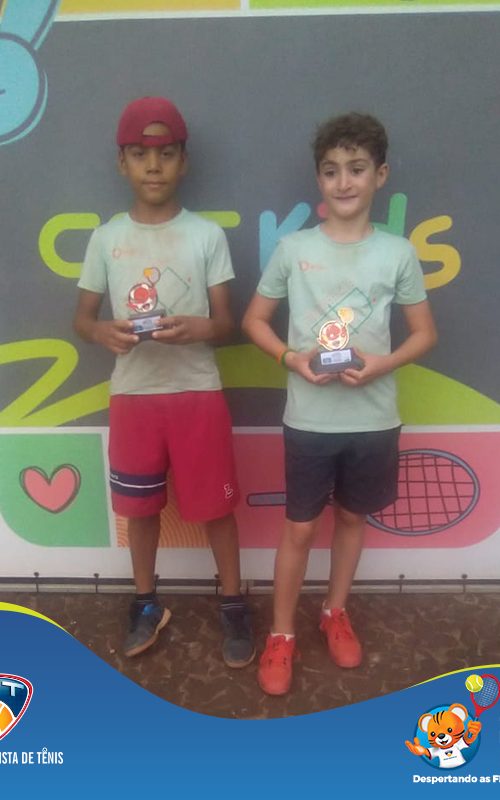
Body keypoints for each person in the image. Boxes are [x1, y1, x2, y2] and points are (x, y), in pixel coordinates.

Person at [242, 112, 437, 695]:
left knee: (352, 518)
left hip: (374, 419)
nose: (344, 181)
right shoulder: (293, 248)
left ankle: (334, 611)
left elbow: (424, 334)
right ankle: (282, 633)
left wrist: (382, 364)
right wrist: (291, 359)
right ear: (319, 180)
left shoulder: (397, 253)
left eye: (356, 169)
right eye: (331, 171)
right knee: (300, 528)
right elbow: (254, 321)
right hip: (309, 420)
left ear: (381, 175)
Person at [74, 96, 254, 668]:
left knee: (216, 508)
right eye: (139, 154)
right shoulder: (105, 238)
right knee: (140, 509)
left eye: (166, 153)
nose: (153, 165)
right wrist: (102, 331)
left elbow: (226, 323)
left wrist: (201, 327)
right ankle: (146, 603)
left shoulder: (206, 235)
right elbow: (82, 319)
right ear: (121, 162)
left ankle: (233, 602)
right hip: (133, 397)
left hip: (197, 393)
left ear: (184, 161)